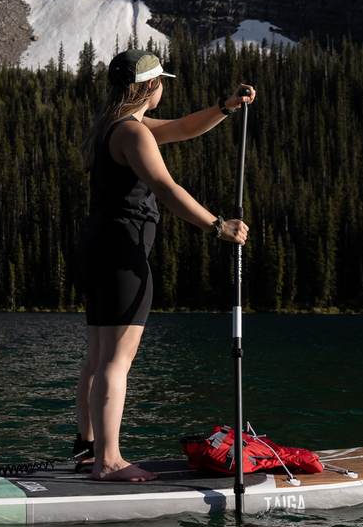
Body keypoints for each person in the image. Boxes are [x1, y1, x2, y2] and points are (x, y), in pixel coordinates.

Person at [73, 48, 252, 482]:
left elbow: (184, 128)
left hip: (97, 251)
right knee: (116, 361)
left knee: (98, 358)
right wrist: (217, 226)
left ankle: (88, 448)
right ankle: (108, 461)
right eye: (162, 82)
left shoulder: (115, 127)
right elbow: (166, 188)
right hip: (121, 255)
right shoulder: (133, 134)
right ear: (151, 86)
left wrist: (225, 107)